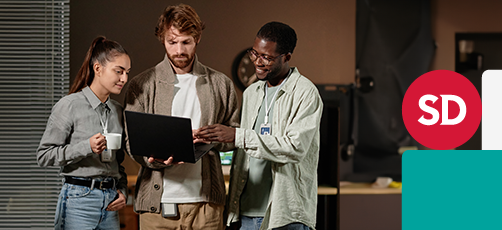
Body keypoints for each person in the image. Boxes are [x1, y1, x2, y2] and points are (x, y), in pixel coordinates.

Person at [123, 4, 240, 229]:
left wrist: (214, 138)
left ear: (197, 39)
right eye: (172, 42)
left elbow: (234, 137)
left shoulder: (221, 84)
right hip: (157, 207)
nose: (179, 51)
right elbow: (131, 141)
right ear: (162, 40)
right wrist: (151, 159)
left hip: (207, 207)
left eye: (186, 42)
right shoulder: (142, 85)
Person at [196, 21, 322, 230]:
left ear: (287, 57)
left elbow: (295, 148)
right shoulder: (251, 93)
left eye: (267, 57)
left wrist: (238, 136)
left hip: (285, 216)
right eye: (254, 54)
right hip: (245, 211)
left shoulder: (305, 93)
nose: (258, 62)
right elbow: (242, 149)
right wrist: (212, 137)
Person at [37, 36, 131, 230]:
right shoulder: (69, 105)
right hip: (78, 200)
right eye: (119, 71)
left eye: (127, 72)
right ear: (98, 68)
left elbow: (117, 163)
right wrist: (86, 146)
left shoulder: (118, 110)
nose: (124, 79)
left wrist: (122, 191)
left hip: (111, 202)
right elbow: (44, 156)